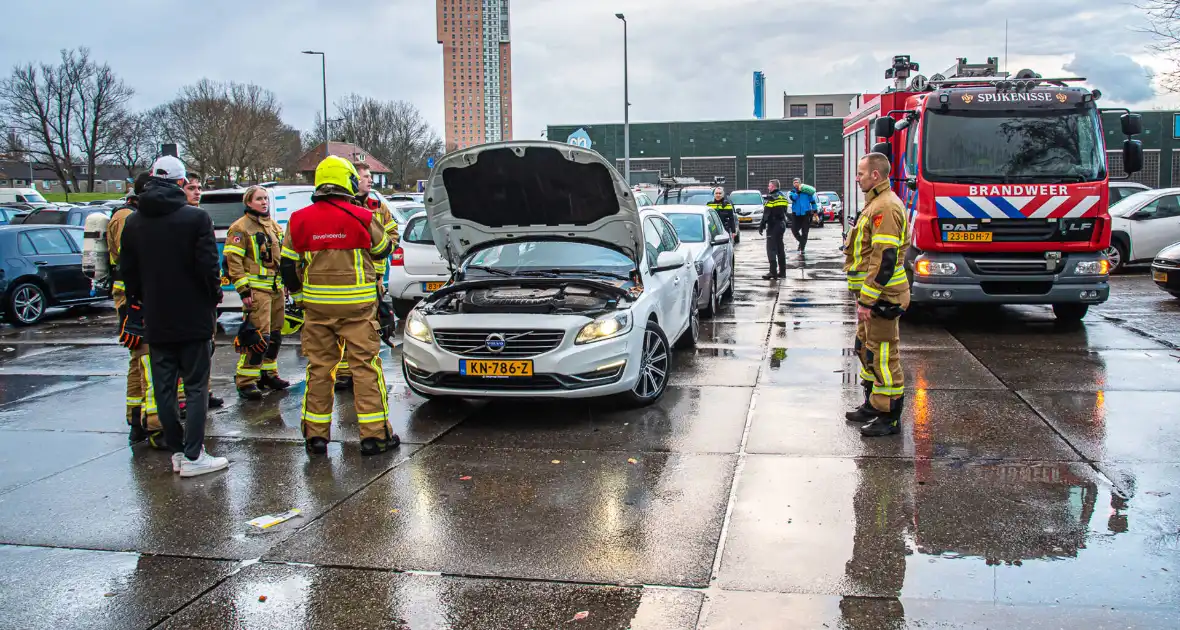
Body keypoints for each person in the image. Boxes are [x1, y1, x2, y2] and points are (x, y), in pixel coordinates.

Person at [279, 156, 398, 456]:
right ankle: (375, 437)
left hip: (317, 309)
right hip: (358, 309)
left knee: (319, 370)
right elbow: (385, 248)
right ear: (347, 181)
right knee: (365, 369)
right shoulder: (361, 216)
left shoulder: (298, 219)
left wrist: (301, 296)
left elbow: (287, 265)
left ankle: (316, 437)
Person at [120, 155, 228, 477]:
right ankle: (194, 455)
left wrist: (142, 302)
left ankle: (179, 451)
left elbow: (129, 274)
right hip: (193, 315)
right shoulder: (195, 219)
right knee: (195, 386)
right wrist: (214, 299)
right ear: (181, 183)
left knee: (164, 388)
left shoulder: (133, 222)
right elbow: (209, 268)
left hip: (157, 317)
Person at [843, 153, 909, 437]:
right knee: (864, 348)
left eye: (860, 173)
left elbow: (884, 259)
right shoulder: (875, 204)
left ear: (876, 176)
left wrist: (868, 300)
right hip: (869, 298)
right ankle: (873, 403)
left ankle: (889, 415)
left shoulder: (886, 208)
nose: (856, 177)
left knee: (883, 356)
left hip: (883, 298)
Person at [108, 172, 168, 448]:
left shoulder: (131, 216)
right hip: (135, 299)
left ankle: (137, 419)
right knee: (145, 359)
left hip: (137, 296)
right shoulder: (127, 219)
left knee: (138, 361)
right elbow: (133, 259)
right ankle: (152, 425)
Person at [332, 162, 400, 391]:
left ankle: (363, 371)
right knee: (344, 326)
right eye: (365, 177)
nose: (369, 180)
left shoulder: (377, 206)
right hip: (348, 276)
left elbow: (392, 233)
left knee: (367, 328)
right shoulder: (342, 206)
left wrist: (380, 255)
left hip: (373, 276)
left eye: (371, 176)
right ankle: (343, 373)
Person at [224, 185, 291, 399]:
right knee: (258, 336)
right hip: (256, 290)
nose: (264, 202)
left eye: (265, 199)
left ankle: (268, 373)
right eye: (259, 199)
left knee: (276, 335)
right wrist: (244, 290)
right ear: (248, 202)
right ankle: (246, 381)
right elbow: (233, 262)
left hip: (276, 287)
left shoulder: (272, 225)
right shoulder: (240, 228)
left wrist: (286, 282)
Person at [182, 176, 226, 411]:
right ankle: (187, 398)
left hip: (203, 296)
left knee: (206, 348)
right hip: (188, 297)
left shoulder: (199, 217)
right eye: (192, 188)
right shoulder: (185, 220)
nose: (198, 192)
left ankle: (202, 390)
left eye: (200, 188)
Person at [758, 179, 790, 279]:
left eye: (769, 186)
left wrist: (761, 225)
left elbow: (766, 214)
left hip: (773, 225)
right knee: (780, 248)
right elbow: (784, 211)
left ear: (773, 187)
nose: (768, 187)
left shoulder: (771, 198)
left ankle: (772, 272)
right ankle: (782, 272)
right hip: (781, 225)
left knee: (771, 248)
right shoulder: (783, 198)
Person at [788, 177, 818, 254]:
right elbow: (793, 198)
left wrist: (815, 211)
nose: (796, 184)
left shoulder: (807, 193)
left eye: (797, 182)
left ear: (800, 183)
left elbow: (813, 202)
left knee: (805, 232)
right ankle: (802, 242)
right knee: (794, 230)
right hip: (796, 214)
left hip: (806, 214)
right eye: (794, 182)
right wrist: (798, 192)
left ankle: (802, 249)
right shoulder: (792, 192)